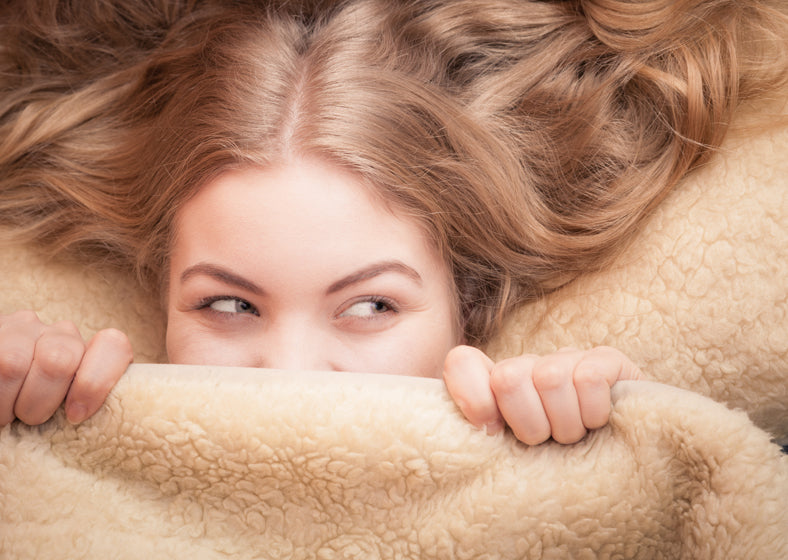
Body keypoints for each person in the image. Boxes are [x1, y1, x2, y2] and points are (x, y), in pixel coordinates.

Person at [1, 0, 786, 443]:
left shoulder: (547, 436)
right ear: (159, 297)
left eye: (371, 306)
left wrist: (615, 451)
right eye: (228, 305)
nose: (294, 379)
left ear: (467, 307)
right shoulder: (54, 418)